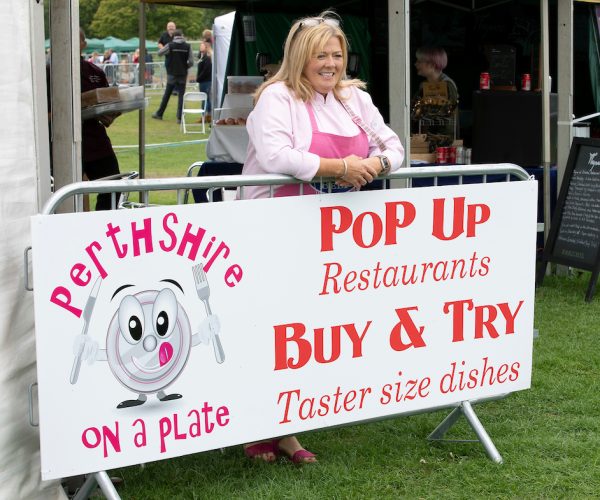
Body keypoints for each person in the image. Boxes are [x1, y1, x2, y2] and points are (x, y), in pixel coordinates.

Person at [237, 11, 404, 462]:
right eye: (320, 55)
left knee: (305, 332)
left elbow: (393, 146)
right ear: (300, 57)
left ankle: (288, 429)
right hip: (271, 226)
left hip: (326, 233)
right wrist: (342, 168)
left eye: (337, 55)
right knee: (266, 328)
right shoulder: (277, 97)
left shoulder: (353, 98)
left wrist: (376, 166)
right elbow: (277, 156)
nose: (330, 64)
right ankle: (255, 426)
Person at [79, 29, 121, 210]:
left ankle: (99, 229)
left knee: (113, 186)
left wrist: (111, 113)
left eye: (77, 39)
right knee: (62, 192)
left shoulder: (95, 71)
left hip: (95, 141)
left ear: (84, 44)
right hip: (60, 143)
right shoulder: (48, 71)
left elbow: (107, 103)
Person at [412, 46, 459, 143]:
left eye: (419, 61)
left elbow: (448, 119)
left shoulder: (447, 85)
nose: (416, 64)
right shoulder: (423, 86)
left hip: (443, 142)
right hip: (426, 139)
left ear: (432, 65)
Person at [152, 28, 193, 124]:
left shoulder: (170, 45)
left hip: (171, 74)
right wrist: (185, 67)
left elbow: (159, 53)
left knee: (167, 95)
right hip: (183, 74)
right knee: (181, 96)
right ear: (182, 36)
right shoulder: (188, 46)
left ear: (174, 36)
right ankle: (179, 118)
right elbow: (191, 61)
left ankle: (159, 113)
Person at [196, 40, 212, 121]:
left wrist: (199, 78)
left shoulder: (207, 57)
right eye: (200, 45)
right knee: (203, 98)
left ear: (206, 47)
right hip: (202, 81)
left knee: (207, 98)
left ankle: (208, 115)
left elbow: (206, 70)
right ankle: (204, 115)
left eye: (202, 45)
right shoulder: (201, 57)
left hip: (206, 81)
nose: (200, 47)